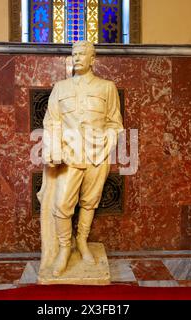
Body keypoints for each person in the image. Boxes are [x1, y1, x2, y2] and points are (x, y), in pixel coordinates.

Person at [38, 40, 124, 278]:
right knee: (62, 204)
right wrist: (55, 149)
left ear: (92, 59)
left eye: (81, 54)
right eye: (74, 54)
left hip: (98, 153)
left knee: (89, 201)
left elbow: (115, 123)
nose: (76, 58)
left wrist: (105, 140)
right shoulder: (60, 87)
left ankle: (82, 242)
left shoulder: (107, 87)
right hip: (69, 155)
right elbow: (51, 121)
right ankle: (65, 249)